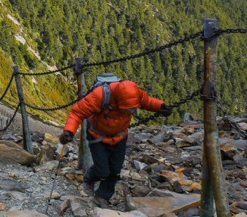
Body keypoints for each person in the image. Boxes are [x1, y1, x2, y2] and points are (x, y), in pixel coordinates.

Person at [59, 76, 172, 204]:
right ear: (118, 100)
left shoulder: (136, 94)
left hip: (120, 136)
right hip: (97, 136)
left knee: (115, 170)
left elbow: (147, 101)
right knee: (103, 171)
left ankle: (102, 197)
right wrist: (69, 131)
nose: (130, 112)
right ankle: (89, 177)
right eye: (127, 109)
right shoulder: (99, 95)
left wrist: (161, 106)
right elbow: (77, 113)